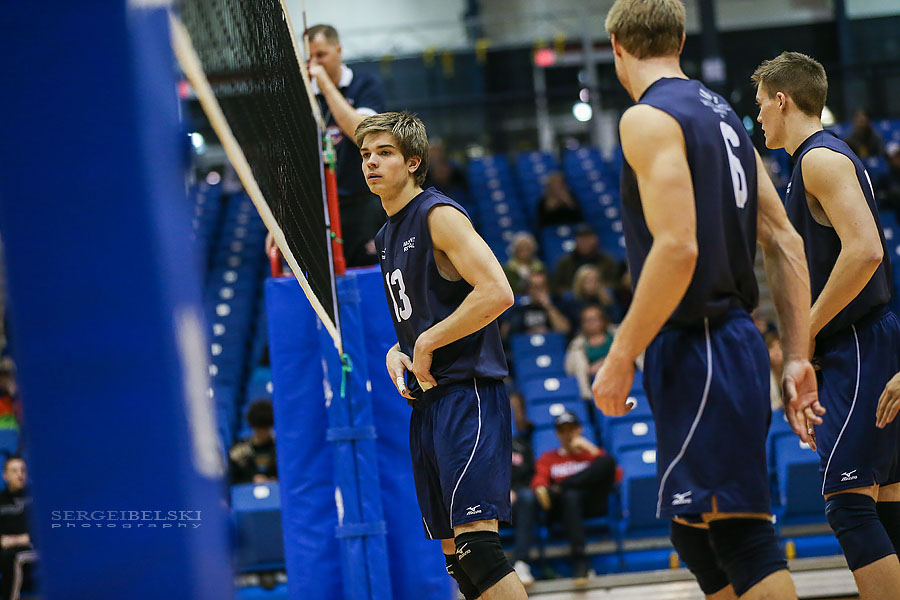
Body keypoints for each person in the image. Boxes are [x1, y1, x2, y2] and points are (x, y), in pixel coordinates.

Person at [593, 3, 822, 600]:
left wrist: (620, 354)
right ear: (683, 37)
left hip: (702, 344)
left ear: (615, 44)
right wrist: (797, 356)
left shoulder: (648, 118)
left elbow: (676, 248)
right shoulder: (722, 114)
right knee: (696, 535)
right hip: (728, 343)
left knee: (741, 539)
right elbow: (786, 240)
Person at [358, 111, 526, 599]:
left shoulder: (438, 215)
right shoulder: (387, 234)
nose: (371, 162)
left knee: (479, 550)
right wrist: (401, 349)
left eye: (384, 153)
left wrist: (427, 343)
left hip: (467, 394)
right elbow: (426, 314)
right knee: (458, 562)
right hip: (430, 402)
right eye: (366, 155)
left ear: (413, 162)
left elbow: (497, 290)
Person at [754, 51, 900, 598]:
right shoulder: (816, 161)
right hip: (869, 342)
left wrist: (806, 331)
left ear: (783, 99)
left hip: (857, 344)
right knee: (883, 507)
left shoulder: (819, 158)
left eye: (762, 103)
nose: (760, 115)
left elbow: (865, 252)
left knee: (849, 507)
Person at [307, 24, 387, 267]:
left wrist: (325, 85)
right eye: (309, 57)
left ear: (339, 50)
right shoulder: (304, 96)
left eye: (321, 55)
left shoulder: (365, 85)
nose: (314, 64)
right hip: (322, 212)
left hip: (364, 204)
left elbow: (363, 134)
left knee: (372, 278)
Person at [530, 412, 618, 586]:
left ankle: (560, 487)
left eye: (571, 429)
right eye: (563, 430)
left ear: (580, 430)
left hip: (591, 503)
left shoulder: (591, 454)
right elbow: (539, 483)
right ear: (557, 434)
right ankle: (580, 561)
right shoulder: (549, 458)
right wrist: (542, 487)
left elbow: (615, 475)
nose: (568, 434)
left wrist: (591, 449)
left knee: (607, 461)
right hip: (563, 509)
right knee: (571, 496)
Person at [509, 413, 537, 587]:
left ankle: (521, 563)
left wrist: (515, 491)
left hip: (517, 499)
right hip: (490, 497)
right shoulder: (481, 442)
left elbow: (530, 476)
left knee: (528, 497)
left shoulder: (521, 446)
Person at [565, 305, 615, 401]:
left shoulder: (617, 334)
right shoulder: (576, 344)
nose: (590, 323)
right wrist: (588, 369)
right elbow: (570, 370)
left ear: (603, 320)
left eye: (594, 319)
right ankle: (587, 399)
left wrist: (605, 363)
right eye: (586, 320)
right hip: (594, 382)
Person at [550, 225, 619, 295]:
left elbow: (614, 284)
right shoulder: (564, 263)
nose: (585, 242)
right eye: (581, 239)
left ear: (595, 239)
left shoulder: (607, 261)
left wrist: (599, 288)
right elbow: (556, 287)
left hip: (601, 299)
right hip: (573, 301)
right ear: (575, 240)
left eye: (588, 238)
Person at [502, 272, 571, 340]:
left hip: (551, 346)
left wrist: (549, 307)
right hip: (525, 346)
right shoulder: (519, 309)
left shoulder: (557, 305)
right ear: (528, 290)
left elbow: (564, 330)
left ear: (547, 288)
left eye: (541, 287)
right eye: (534, 287)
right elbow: (505, 335)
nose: (538, 291)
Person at [0, 456, 32, 600]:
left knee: (15, 558)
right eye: (14, 471)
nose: (19, 475)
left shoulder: (35, 498)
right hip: (4, 549)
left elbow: (45, 530)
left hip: (31, 549)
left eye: (22, 471)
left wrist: (22, 539)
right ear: (5, 475)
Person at [229, 400, 278, 485]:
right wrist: (251, 479)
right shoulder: (238, 452)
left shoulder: (279, 450)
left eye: (265, 428)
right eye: (259, 428)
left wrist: (274, 480)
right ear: (253, 426)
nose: (262, 432)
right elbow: (232, 480)